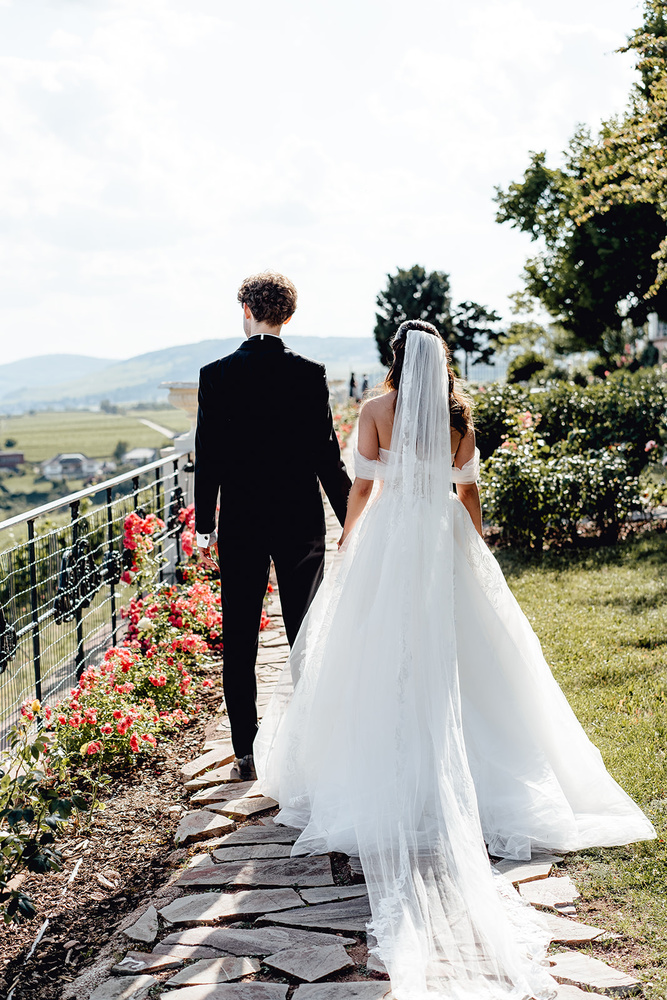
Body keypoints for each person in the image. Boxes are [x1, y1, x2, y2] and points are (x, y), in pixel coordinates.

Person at [256, 320, 655, 999]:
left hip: (390, 535)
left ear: (391, 361)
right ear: (439, 361)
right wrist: (474, 546)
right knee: (466, 658)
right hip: (440, 533)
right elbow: (467, 491)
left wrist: (351, 538)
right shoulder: (458, 412)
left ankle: (388, 771)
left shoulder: (375, 410)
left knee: (380, 656)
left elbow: (360, 487)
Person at [194, 271, 352, 781]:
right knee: (305, 630)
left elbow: (209, 455)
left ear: (246, 310)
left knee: (240, 635)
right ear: (288, 316)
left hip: (241, 521)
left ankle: (245, 750)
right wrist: (352, 513)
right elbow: (326, 454)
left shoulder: (215, 374)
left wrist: (203, 524)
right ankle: (313, 743)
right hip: (299, 520)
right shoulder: (309, 373)